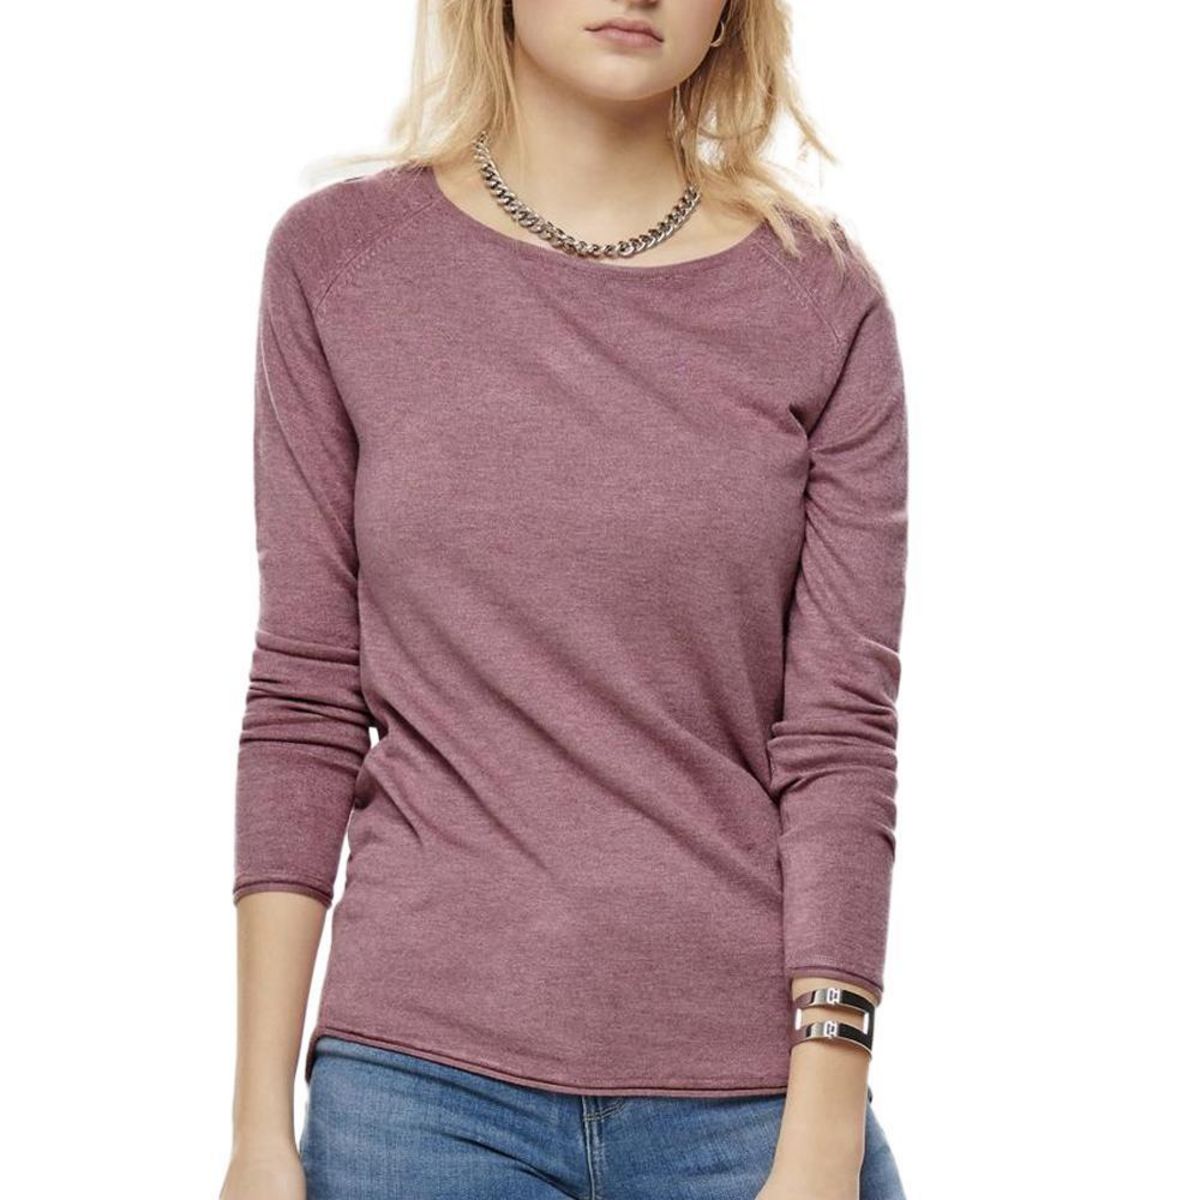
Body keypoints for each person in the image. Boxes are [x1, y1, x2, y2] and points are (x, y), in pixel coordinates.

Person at [218, 3, 910, 1198]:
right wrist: (258, 1130)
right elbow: (306, 700)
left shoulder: (820, 299)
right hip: (418, 1098)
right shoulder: (343, 264)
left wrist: (821, 1133)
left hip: (751, 1099)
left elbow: (840, 739)